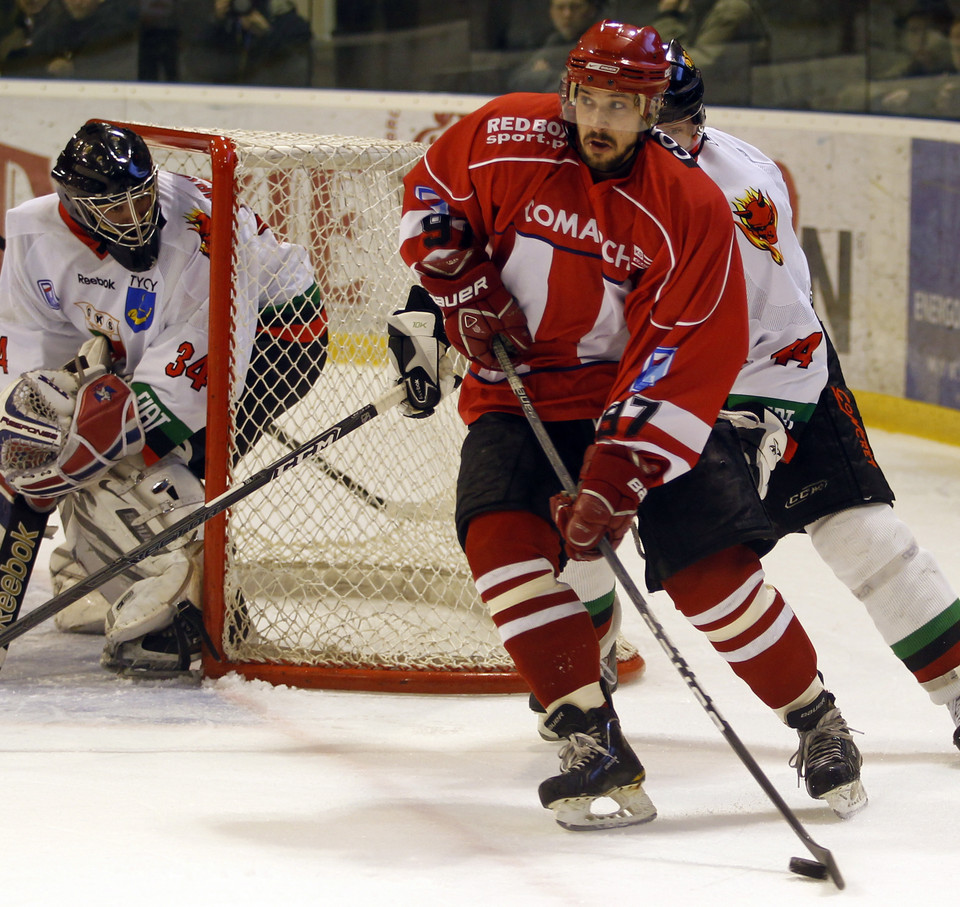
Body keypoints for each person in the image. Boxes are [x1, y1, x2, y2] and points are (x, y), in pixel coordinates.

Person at [393, 19, 753, 831]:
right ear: (568, 91)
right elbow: (432, 200)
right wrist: (461, 285)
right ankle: (590, 736)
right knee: (493, 536)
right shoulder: (503, 132)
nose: (599, 118)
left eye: (622, 105)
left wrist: (621, 465)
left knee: (708, 572)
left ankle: (814, 716)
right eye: (589, 98)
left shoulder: (687, 203)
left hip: (617, 400)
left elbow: (683, 347)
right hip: (515, 391)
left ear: (652, 109)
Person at [654, 42, 960, 752]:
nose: (676, 140)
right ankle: (585, 690)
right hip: (653, 389)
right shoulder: (583, 172)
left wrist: (771, 414)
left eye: (684, 124)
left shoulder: (741, 189)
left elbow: (786, 329)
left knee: (864, 533)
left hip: (773, 384)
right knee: (573, 517)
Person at [0, 121, 327, 676]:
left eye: (142, 199)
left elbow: (173, 395)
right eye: (115, 210)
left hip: (277, 336)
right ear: (75, 206)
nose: (136, 219)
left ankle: (195, 607)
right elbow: (34, 356)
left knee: (139, 465)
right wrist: (34, 445)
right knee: (53, 441)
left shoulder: (196, 239)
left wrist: (87, 448)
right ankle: (89, 568)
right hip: (156, 335)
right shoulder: (31, 234)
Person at [505, 0, 606, 92]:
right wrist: (558, 76)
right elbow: (516, 82)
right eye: (560, 8)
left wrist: (541, 75)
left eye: (576, 7)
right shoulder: (554, 42)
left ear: (591, 10)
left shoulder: (601, 45)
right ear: (551, 12)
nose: (567, 14)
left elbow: (586, 86)